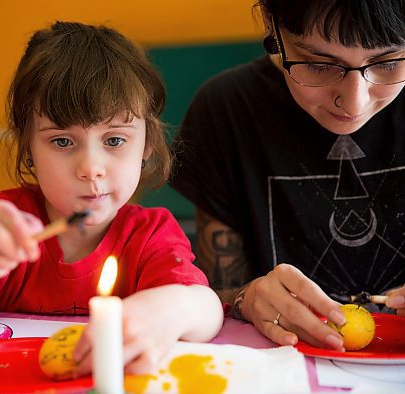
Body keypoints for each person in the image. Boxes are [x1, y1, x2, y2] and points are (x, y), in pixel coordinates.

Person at [0, 21, 223, 375]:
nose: (91, 168)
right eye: (62, 141)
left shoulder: (151, 235)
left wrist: (173, 308)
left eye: (114, 140)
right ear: (29, 149)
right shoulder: (9, 223)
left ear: (146, 146)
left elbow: (207, 309)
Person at [170, 0, 405, 351]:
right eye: (319, 64)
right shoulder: (228, 109)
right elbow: (220, 288)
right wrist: (246, 298)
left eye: (388, 63)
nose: (354, 104)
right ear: (271, 25)